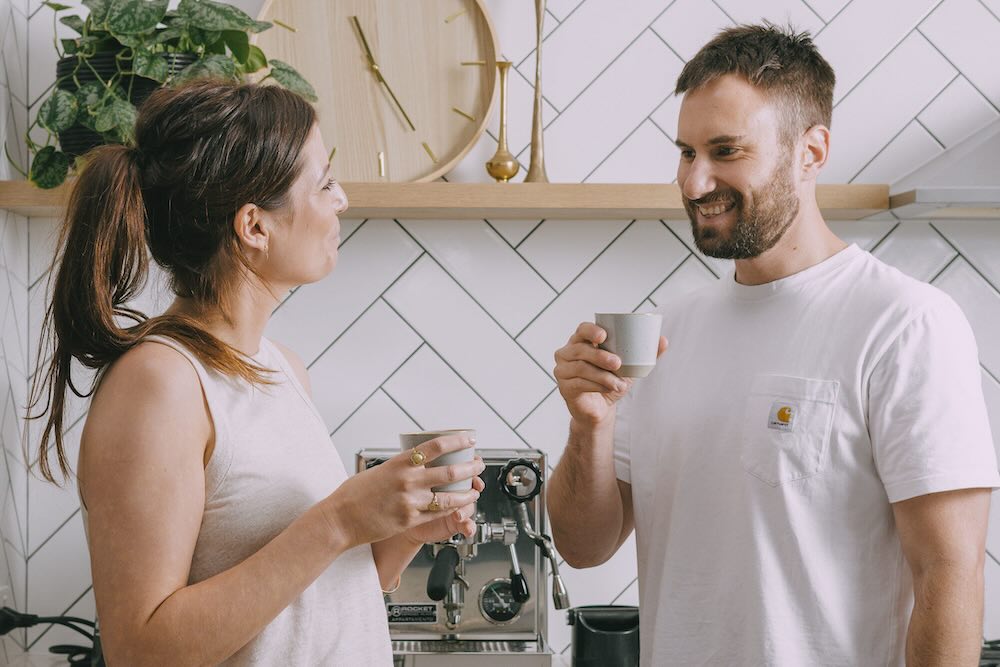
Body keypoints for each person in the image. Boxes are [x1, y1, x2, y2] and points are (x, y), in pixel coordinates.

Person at [547, 23, 999, 667]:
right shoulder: (670, 330)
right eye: (685, 152)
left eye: (726, 151)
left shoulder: (904, 322)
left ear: (811, 152)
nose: (695, 182)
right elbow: (585, 546)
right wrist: (589, 424)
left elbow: (949, 574)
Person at [28, 79, 485, 666]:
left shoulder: (280, 368)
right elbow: (140, 650)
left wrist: (397, 537)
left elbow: (304, 610)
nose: (341, 199)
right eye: (323, 184)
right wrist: (341, 520)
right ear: (254, 227)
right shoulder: (161, 383)